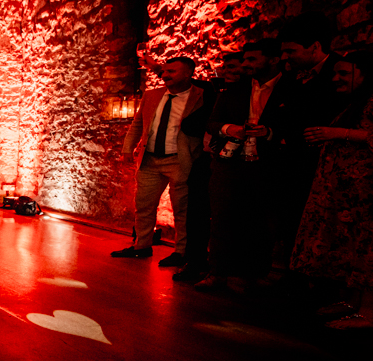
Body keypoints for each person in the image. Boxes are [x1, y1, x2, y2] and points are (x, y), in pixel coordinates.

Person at [291, 52, 373, 329]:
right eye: (335, 73)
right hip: (354, 197)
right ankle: (354, 304)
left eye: (344, 73)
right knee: (353, 248)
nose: (336, 79)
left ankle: (372, 312)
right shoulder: (362, 100)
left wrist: (338, 134)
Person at [199, 39, 295, 292]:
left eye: (252, 59)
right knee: (222, 217)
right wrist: (230, 129)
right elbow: (212, 123)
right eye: (245, 59)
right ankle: (217, 272)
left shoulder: (291, 87)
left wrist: (270, 133)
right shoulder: (235, 89)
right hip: (229, 162)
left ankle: (249, 275)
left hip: (268, 164)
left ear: (273, 60)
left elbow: (298, 125)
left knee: (259, 221)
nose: (245, 64)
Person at [112, 56, 205, 267]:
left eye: (172, 71)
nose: (165, 75)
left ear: (188, 73)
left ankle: (181, 251)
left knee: (182, 208)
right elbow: (138, 123)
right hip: (150, 159)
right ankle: (141, 246)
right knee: (143, 205)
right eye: (164, 71)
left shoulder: (200, 96)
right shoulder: (153, 95)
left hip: (180, 159)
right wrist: (128, 148)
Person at [278, 13, 345, 257]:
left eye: (291, 51)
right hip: (292, 163)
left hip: (324, 164)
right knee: (290, 222)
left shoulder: (341, 72)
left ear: (315, 46)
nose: (285, 57)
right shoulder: (290, 75)